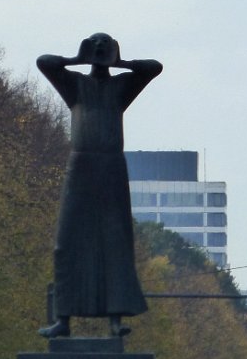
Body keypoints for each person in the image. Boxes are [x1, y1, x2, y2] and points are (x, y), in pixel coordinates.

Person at [37, 33, 163, 338]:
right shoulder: (75, 86)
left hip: (110, 167)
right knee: (66, 242)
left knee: (115, 242)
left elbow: (153, 67)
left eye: (103, 49)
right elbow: (45, 63)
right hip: (81, 166)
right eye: (94, 48)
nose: (98, 53)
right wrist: (76, 59)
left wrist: (121, 62)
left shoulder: (121, 89)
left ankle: (115, 320)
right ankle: (63, 320)